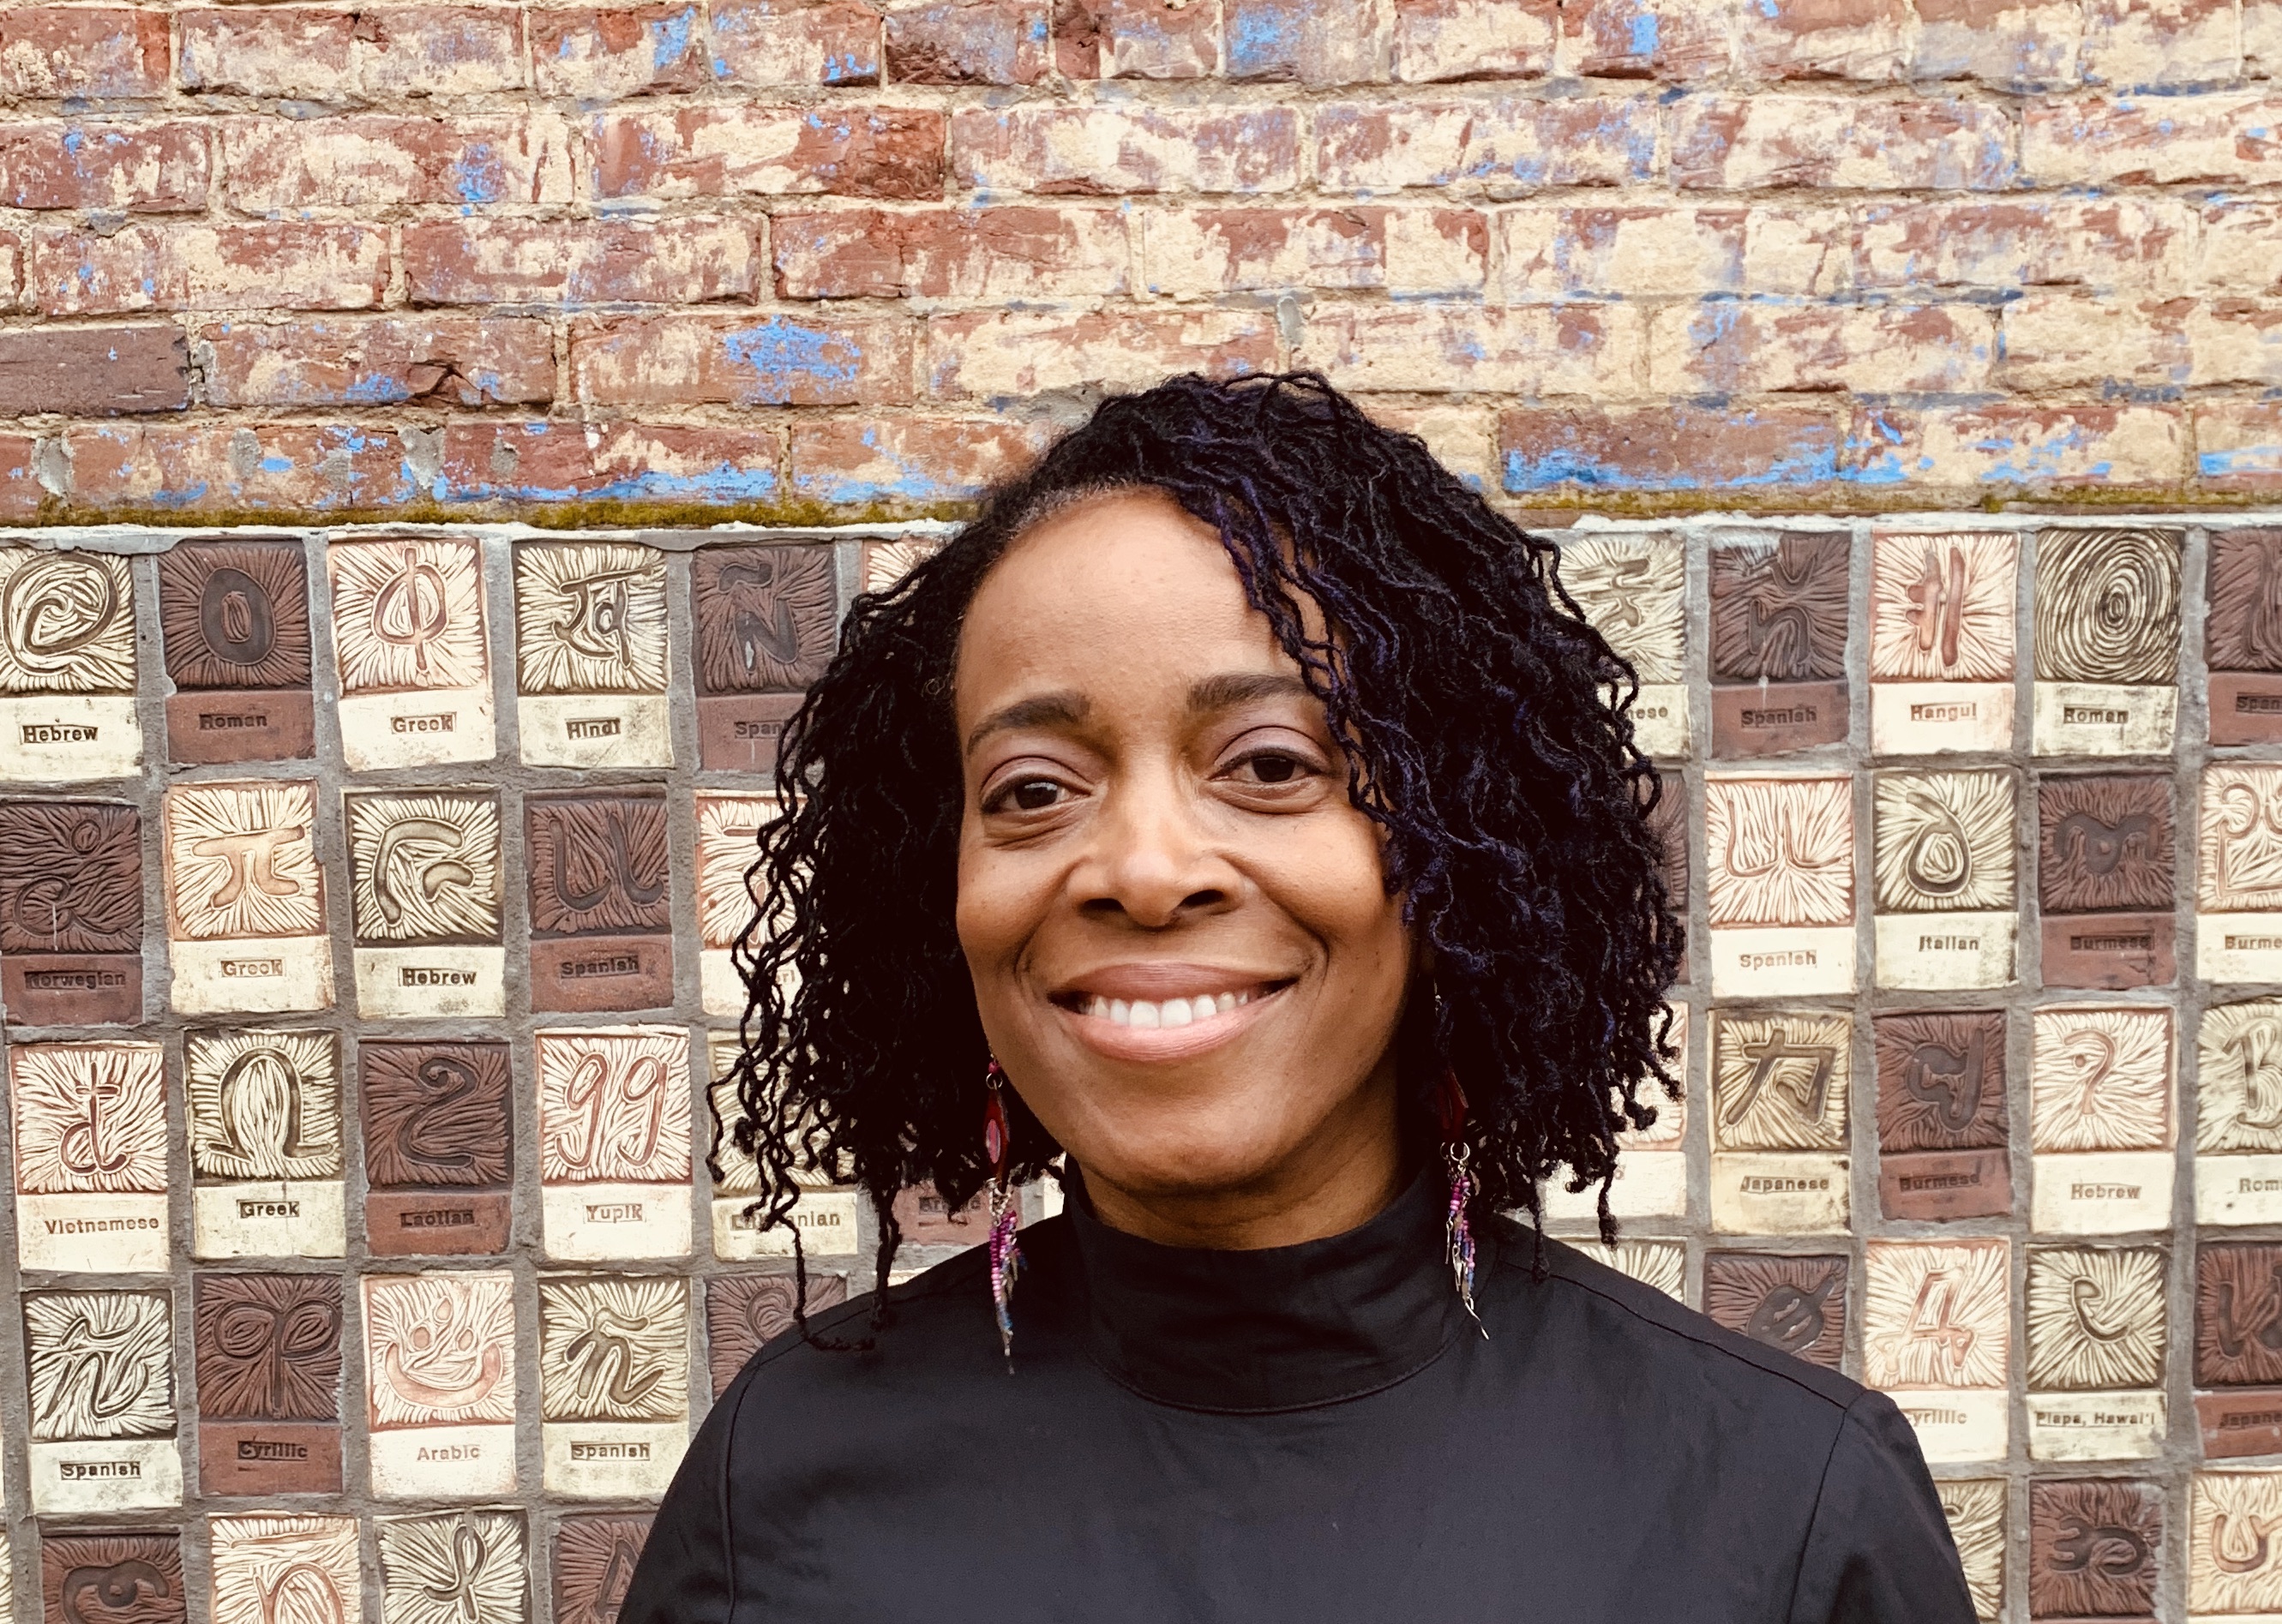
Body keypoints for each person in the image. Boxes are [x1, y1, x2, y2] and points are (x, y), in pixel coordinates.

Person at [622, 372, 1975, 1623]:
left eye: (1269, 766)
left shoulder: (1783, 1506)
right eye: (1032, 790)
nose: (1144, 870)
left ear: (1450, 854)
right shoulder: (782, 1488)